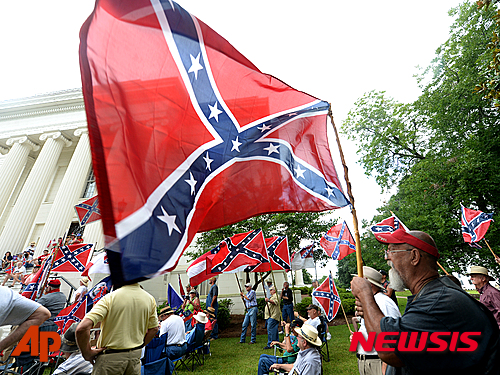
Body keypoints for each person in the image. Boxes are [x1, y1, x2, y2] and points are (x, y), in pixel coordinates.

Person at [351, 228, 500, 375]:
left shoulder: (438, 301)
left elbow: (389, 349)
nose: (386, 258)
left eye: (391, 251)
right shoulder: (430, 296)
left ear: (414, 256)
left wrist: (366, 297)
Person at [76, 282, 159, 375]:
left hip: (110, 359)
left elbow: (82, 328)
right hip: (135, 358)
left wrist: (87, 353)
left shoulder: (110, 298)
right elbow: (154, 329)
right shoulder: (149, 299)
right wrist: (139, 346)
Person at [351, 267, 401, 375]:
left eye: (358, 281)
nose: (353, 283)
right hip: (365, 361)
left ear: (368, 284)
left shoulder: (383, 303)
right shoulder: (370, 302)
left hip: (378, 362)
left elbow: (394, 336)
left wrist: (385, 367)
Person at [0, 286, 51, 353]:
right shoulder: (7, 293)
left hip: (43, 325)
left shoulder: (6, 293)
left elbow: (42, 313)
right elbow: (43, 314)